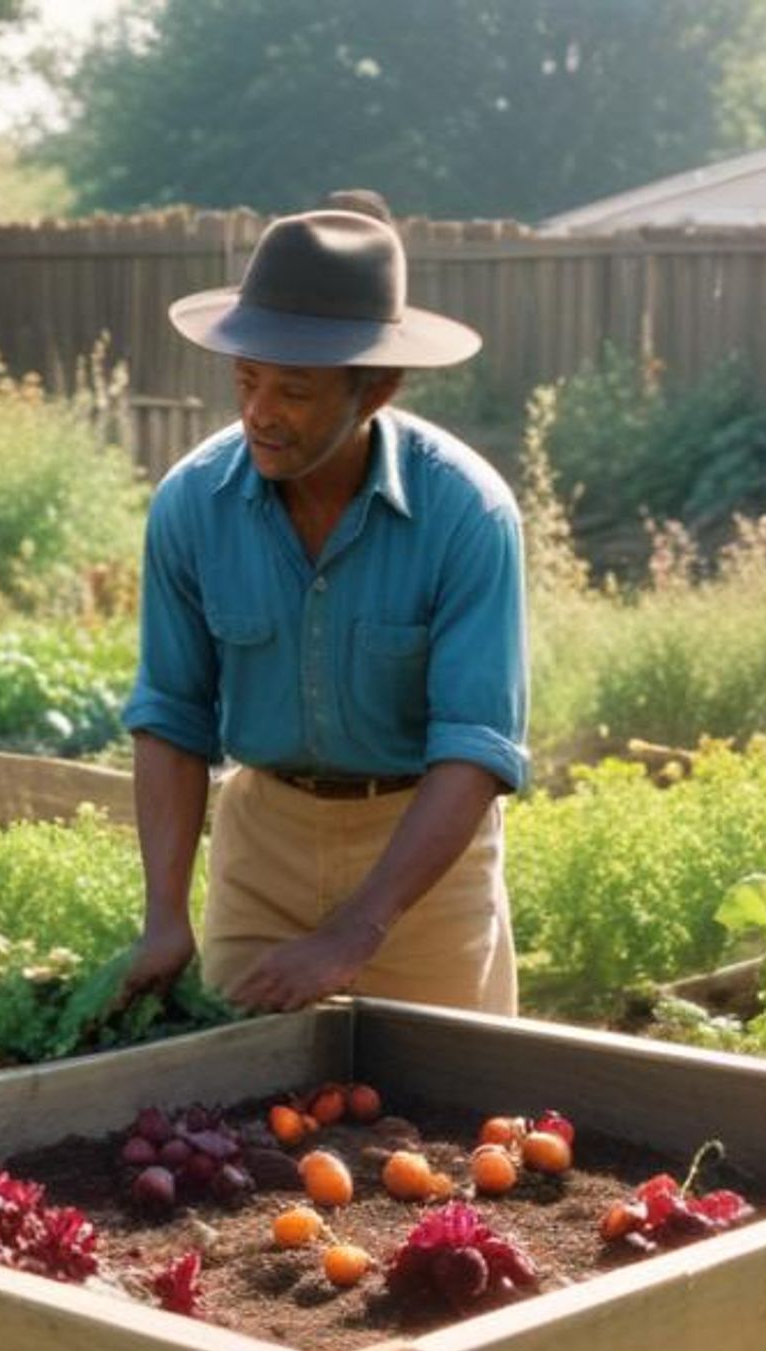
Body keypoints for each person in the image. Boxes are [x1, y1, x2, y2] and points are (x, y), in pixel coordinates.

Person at [119, 205, 527, 1018]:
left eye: (294, 391)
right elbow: (170, 714)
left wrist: (355, 932)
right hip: (263, 845)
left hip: (422, 863)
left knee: (453, 1121)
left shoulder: (466, 514)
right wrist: (165, 914)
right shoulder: (193, 504)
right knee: (233, 1117)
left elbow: (476, 748)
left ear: (376, 387)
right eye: (247, 380)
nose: (260, 411)